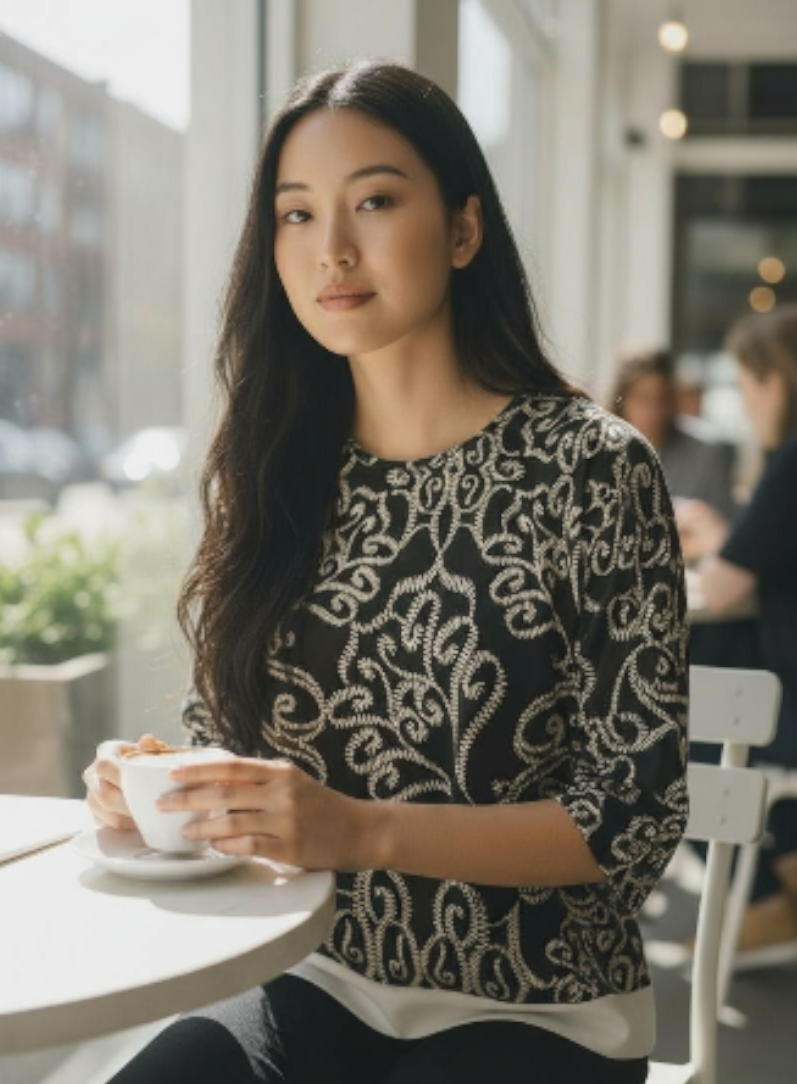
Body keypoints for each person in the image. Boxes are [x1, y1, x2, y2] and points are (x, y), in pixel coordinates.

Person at [83, 60, 689, 1084]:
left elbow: (626, 816)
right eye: (294, 214)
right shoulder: (272, 468)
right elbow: (229, 738)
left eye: (372, 201)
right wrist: (158, 787)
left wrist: (356, 828)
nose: (331, 249)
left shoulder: (591, 467)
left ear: (460, 229)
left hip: (541, 1002)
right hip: (306, 974)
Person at [676, 303, 797, 956]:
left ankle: (764, 899)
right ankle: (785, 874)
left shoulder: (789, 464)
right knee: (714, 658)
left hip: (791, 700)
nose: (744, 402)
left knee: (659, 728)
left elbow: (721, 587)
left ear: (773, 384)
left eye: (745, 385)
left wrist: (705, 539)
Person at [608, 346, 738, 522]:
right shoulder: (604, 454)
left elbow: (722, 530)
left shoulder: (707, 455)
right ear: (622, 401)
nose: (654, 411)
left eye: (662, 398)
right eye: (643, 399)